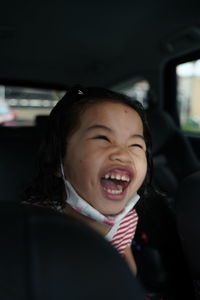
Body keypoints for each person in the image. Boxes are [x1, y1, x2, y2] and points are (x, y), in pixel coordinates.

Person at [24, 85, 155, 275]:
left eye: (136, 144)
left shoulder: (127, 219)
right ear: (58, 161)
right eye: (102, 138)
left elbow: (125, 256)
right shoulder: (34, 227)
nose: (123, 154)